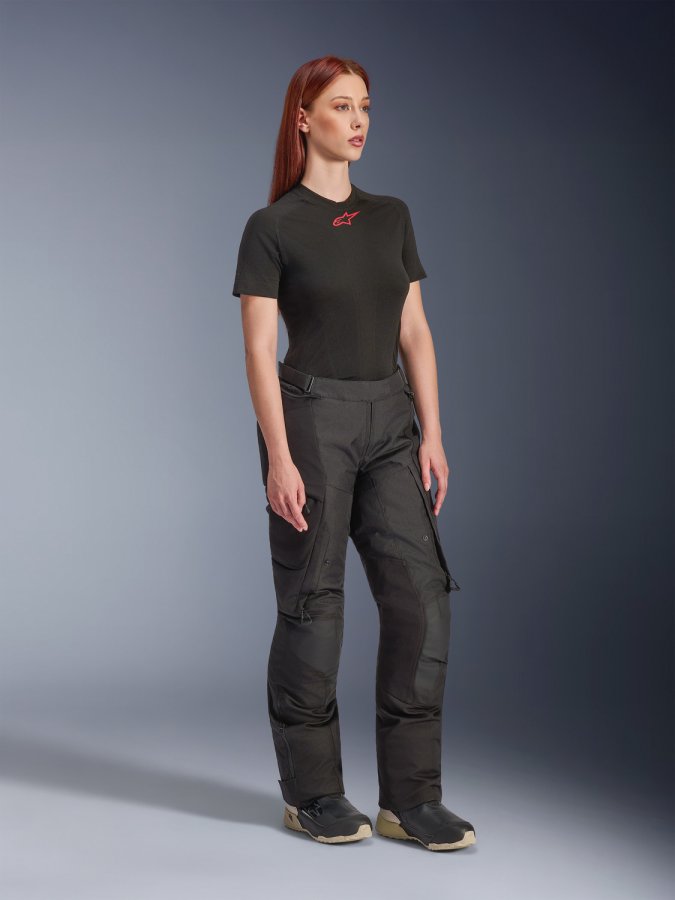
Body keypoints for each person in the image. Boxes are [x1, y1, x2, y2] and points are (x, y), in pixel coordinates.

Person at [231, 55, 475, 852]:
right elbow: (258, 350)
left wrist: (433, 431)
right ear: (303, 119)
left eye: (364, 105)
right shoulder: (273, 227)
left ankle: (411, 800)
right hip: (310, 419)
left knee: (421, 599)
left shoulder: (390, 215)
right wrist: (278, 455)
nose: (358, 119)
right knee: (315, 606)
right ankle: (312, 795)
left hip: (390, 420)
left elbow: (414, 331)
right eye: (341, 106)